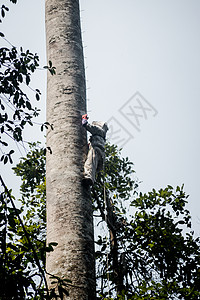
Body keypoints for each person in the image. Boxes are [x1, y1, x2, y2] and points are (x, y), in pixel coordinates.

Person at [82, 114, 108, 186]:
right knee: (93, 165)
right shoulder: (102, 136)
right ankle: (91, 177)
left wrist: (84, 118)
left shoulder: (99, 130)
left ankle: (88, 177)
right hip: (101, 155)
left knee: (89, 163)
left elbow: (85, 125)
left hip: (96, 149)